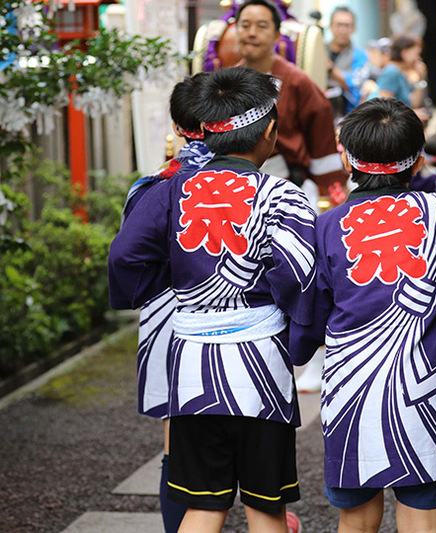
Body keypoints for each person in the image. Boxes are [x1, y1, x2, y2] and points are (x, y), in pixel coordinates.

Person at [108, 67, 315, 533]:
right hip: (261, 365)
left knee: (204, 505)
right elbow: (301, 276)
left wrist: (167, 281)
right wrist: (298, 337)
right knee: (266, 507)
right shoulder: (284, 195)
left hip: (190, 367)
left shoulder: (169, 189)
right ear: (268, 133)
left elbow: (125, 255)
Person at [290, 98, 436, 533]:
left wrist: (297, 347)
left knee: (357, 517)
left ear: (346, 157)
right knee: (421, 516)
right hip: (422, 395)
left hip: (351, 396)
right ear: (418, 160)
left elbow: (309, 318)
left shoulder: (327, 226)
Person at [119, 73, 215, 533]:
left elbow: (126, 256)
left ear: (178, 128)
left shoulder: (156, 184)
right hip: (244, 325)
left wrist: (133, 298)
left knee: (177, 440)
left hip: (169, 318)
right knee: (249, 444)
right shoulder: (249, 183)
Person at [235, 0, 347, 198]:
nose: (251, 33)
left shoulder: (296, 82)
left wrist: (328, 188)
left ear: (277, 35)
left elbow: (321, 137)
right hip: (235, 188)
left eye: (261, 26)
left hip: (288, 188)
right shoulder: (227, 81)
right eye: (244, 25)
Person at [374, 33, 430, 121]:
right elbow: (384, 107)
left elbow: (414, 103)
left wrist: (420, 78)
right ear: (404, 52)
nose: (418, 58)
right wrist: (411, 115)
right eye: (416, 54)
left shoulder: (402, 74)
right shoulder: (391, 72)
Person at [326, 5, 368, 119]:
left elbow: (354, 85)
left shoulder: (360, 55)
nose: (342, 30)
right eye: (339, 25)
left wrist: (331, 69)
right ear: (331, 26)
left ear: (353, 29)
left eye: (347, 26)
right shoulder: (320, 49)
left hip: (346, 115)